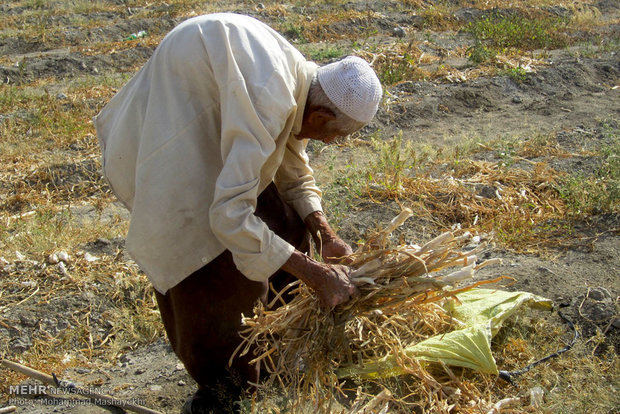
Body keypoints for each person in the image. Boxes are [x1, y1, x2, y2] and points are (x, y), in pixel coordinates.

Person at [94, 12, 382, 413]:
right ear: (320, 117)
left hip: (207, 127)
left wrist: (324, 232)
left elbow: (291, 166)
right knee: (212, 266)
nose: (330, 141)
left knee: (283, 219)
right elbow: (229, 216)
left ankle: (275, 341)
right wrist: (315, 273)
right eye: (334, 135)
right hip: (172, 141)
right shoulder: (272, 96)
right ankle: (222, 389)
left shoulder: (301, 81)